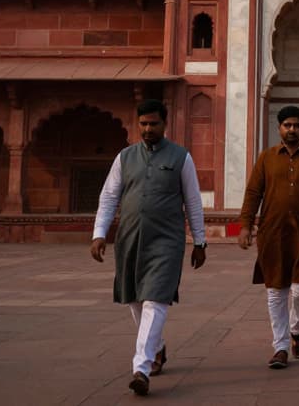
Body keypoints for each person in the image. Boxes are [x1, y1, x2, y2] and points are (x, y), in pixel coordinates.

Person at [90, 99, 208, 397]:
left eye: (153, 123)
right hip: (130, 237)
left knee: (155, 298)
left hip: (167, 240)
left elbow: (193, 201)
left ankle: (141, 368)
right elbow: (109, 197)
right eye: (143, 123)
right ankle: (156, 348)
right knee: (134, 299)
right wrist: (99, 233)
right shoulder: (125, 157)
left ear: (164, 124)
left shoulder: (181, 157)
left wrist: (200, 240)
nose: (147, 129)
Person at [238, 106, 299, 369]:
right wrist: (245, 225)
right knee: (275, 291)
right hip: (273, 232)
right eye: (287, 125)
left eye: (296, 125)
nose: (292, 129)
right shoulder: (266, 158)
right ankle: (280, 347)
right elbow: (253, 193)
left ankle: (296, 329)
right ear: (279, 128)